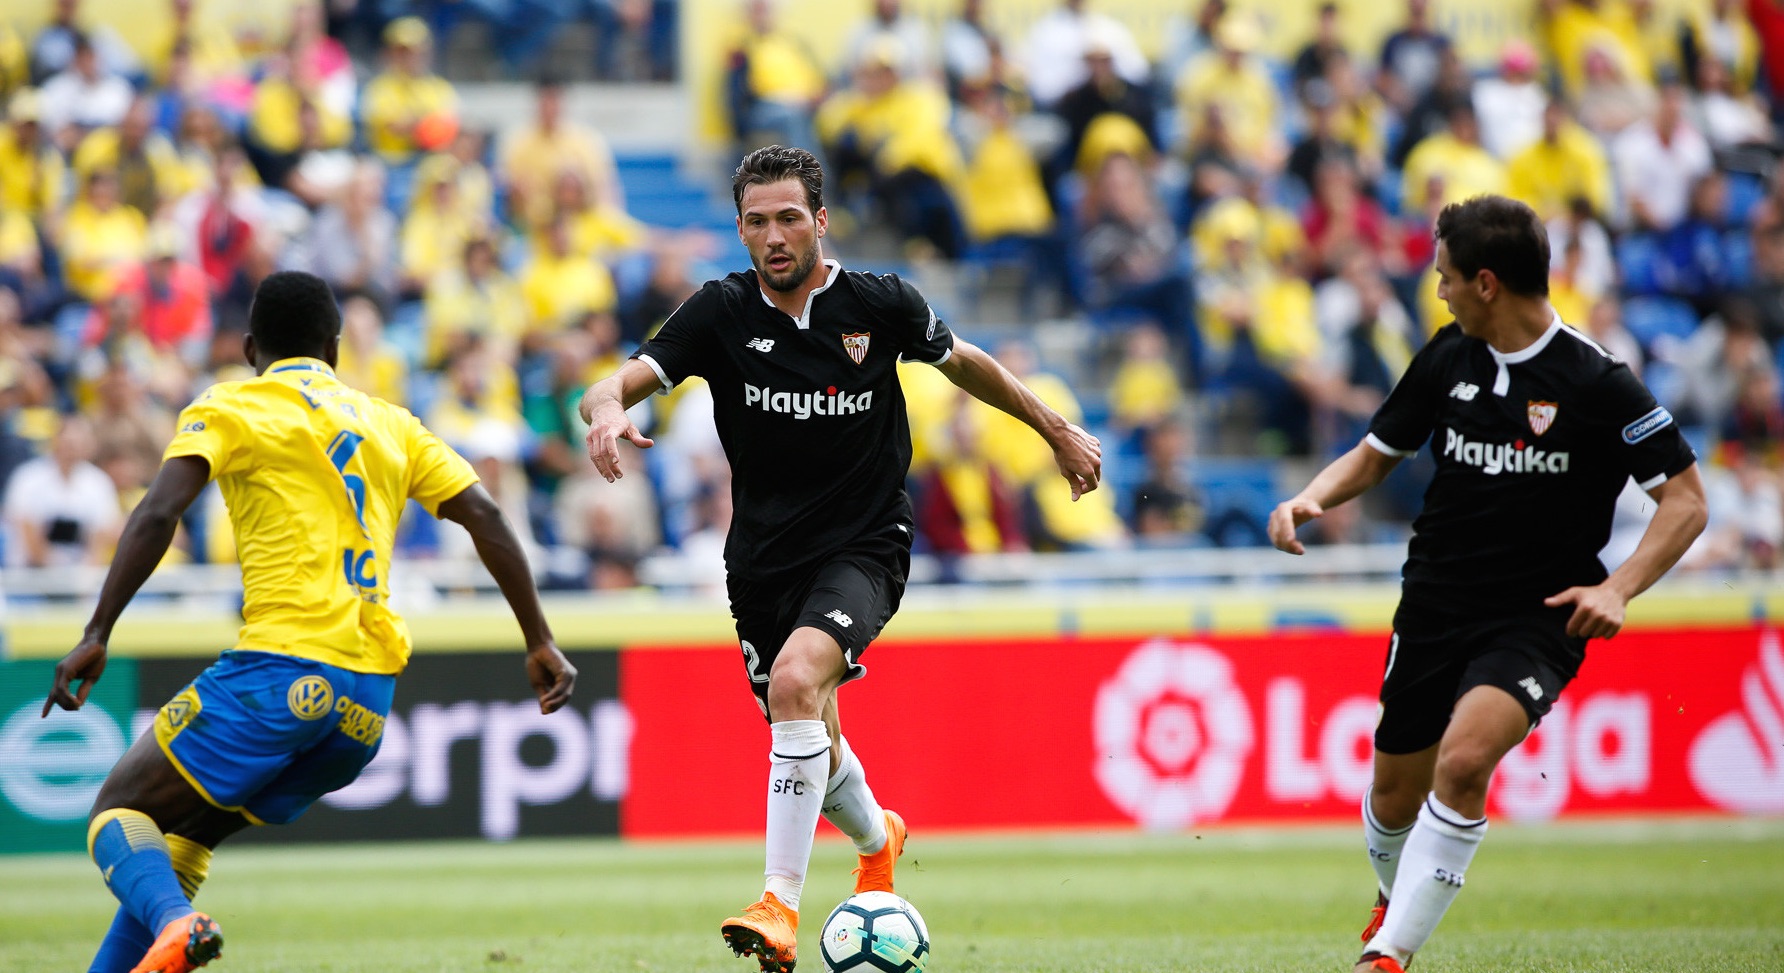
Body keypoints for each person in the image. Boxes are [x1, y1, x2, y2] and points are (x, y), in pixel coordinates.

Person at [578, 145, 1102, 973]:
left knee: (794, 683)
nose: (775, 235)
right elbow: (610, 383)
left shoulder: (879, 303)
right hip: (761, 562)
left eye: (790, 217)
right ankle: (877, 835)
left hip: (865, 542)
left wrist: (1055, 428)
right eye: (757, 221)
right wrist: (605, 413)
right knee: (807, 730)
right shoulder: (718, 312)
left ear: (820, 221)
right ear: (741, 229)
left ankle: (779, 902)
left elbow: (965, 362)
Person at [39, 270, 577, 973]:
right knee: (185, 840)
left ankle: (177, 921)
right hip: (365, 708)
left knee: (117, 810)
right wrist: (539, 638)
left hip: (280, 668)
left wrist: (97, 630)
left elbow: (158, 512)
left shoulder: (231, 405)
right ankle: (168, 929)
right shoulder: (392, 422)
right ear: (334, 346)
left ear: (248, 346)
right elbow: (487, 515)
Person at [1266, 195, 1707, 973]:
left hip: (1539, 615)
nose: (1437, 289)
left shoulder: (1598, 381)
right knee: (1395, 794)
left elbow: (1687, 499)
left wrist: (1619, 588)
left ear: (1487, 283)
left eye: (1444, 276)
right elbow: (1375, 452)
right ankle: (1392, 893)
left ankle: (1387, 954)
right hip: (1436, 600)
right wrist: (1312, 496)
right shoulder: (1446, 357)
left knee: (1464, 762)